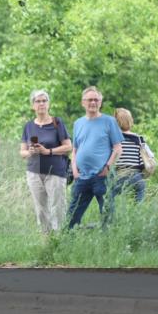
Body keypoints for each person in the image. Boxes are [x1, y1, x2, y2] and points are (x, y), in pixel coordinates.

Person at [67, 86, 123, 229]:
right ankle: (68, 240)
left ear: (100, 102)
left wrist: (107, 167)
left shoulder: (109, 121)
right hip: (81, 177)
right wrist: (75, 171)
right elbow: (75, 150)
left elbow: (118, 148)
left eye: (96, 100)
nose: (93, 102)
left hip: (102, 176)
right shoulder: (78, 123)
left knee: (107, 215)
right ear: (83, 103)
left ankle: (108, 241)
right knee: (71, 217)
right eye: (90, 99)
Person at [20, 89, 72, 234]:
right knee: (41, 209)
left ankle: (59, 239)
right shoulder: (29, 126)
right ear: (33, 106)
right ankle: (47, 240)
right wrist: (30, 152)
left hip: (55, 171)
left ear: (48, 104)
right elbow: (22, 152)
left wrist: (47, 151)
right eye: (38, 101)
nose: (41, 104)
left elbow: (68, 147)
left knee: (58, 207)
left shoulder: (57, 122)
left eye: (44, 101)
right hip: (34, 172)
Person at [108, 108, 149, 219]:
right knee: (139, 195)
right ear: (130, 120)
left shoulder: (113, 139)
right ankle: (137, 219)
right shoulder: (139, 139)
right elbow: (148, 156)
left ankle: (110, 220)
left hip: (120, 175)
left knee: (109, 195)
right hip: (137, 176)